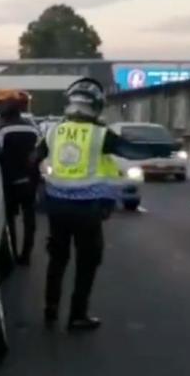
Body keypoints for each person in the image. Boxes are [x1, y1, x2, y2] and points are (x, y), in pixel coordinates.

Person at [33, 77, 155, 331]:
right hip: (88, 208)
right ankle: (77, 315)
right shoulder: (101, 134)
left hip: (57, 205)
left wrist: (43, 185)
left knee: (57, 258)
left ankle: (50, 308)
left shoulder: (54, 131)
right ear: (97, 105)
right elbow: (130, 152)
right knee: (87, 261)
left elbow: (34, 158)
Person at [0, 95, 40, 266]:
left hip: (9, 181)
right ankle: (26, 255)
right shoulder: (33, 129)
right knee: (29, 218)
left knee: (9, 219)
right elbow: (38, 153)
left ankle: (12, 253)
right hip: (30, 179)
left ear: (4, 114)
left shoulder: (3, 130)